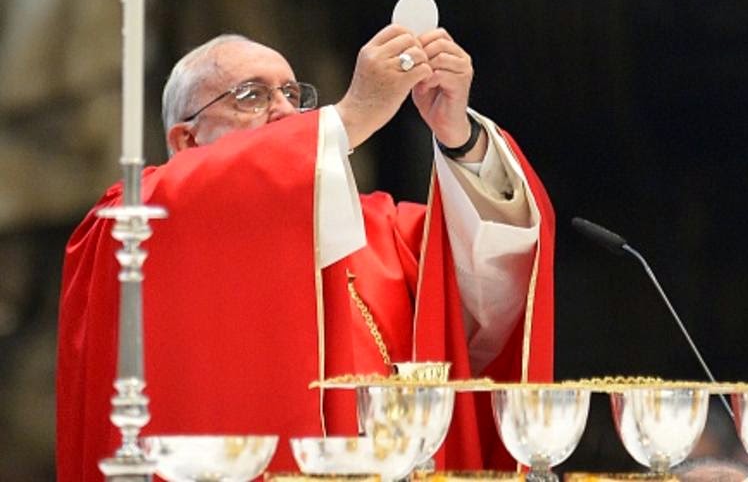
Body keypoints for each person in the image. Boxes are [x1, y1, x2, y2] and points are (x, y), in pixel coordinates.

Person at [56, 27, 555, 480]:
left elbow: (496, 287)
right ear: (187, 140)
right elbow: (190, 199)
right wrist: (354, 115)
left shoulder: (381, 229)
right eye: (251, 96)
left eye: (293, 95)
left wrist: (459, 139)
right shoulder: (136, 222)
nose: (285, 112)